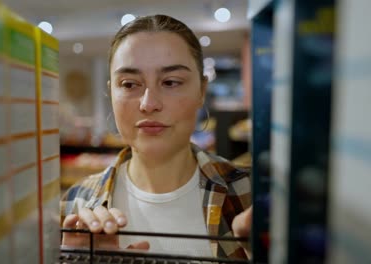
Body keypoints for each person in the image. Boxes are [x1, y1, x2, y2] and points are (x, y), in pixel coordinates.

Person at [60, 14, 253, 259]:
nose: (149, 104)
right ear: (111, 92)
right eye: (129, 84)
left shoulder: (251, 197)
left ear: (201, 91)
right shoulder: (75, 204)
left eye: (171, 82)